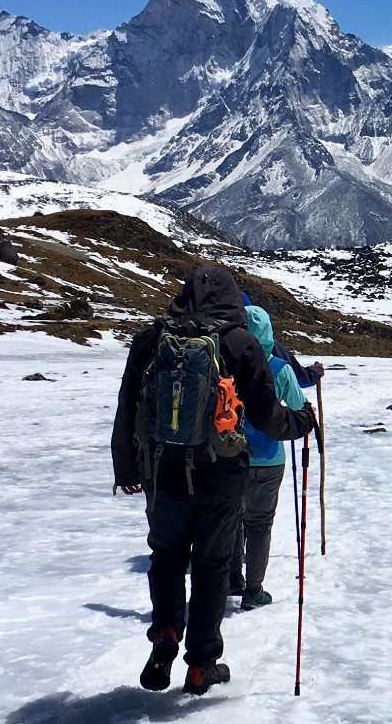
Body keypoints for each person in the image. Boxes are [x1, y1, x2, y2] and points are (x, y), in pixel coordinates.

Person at [112, 264, 316, 695]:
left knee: (166, 557)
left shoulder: (150, 339)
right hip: (221, 476)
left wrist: (126, 469)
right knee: (211, 567)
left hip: (161, 473)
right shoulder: (239, 342)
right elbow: (265, 415)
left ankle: (166, 633)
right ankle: (202, 664)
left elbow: (127, 405)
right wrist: (301, 421)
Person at [225, 302, 323, 611]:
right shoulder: (279, 369)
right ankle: (254, 589)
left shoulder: (226, 365)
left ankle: (231, 578)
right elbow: (296, 407)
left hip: (230, 455)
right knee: (260, 523)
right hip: (268, 458)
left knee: (233, 520)